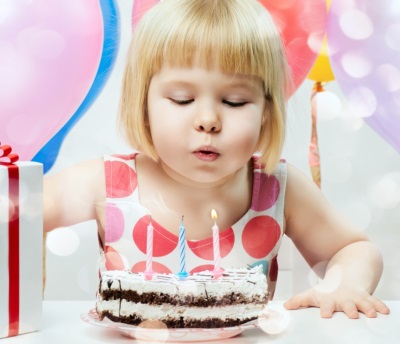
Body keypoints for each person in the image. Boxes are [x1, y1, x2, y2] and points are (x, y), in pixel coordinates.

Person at [44, 0, 390, 319]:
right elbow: (16, 213)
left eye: (236, 101)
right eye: (182, 99)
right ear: (144, 105)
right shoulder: (106, 183)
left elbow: (354, 248)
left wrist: (345, 284)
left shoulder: (276, 187)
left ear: (267, 112)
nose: (208, 119)